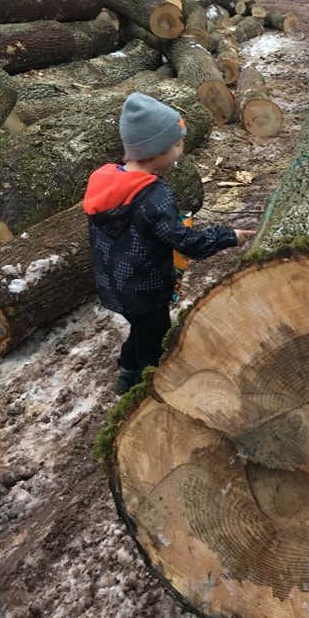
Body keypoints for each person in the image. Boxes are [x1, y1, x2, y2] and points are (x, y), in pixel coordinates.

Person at [83, 92, 256, 395]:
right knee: (157, 341)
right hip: (147, 289)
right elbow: (185, 241)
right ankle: (151, 387)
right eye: (177, 145)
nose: (180, 151)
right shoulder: (152, 196)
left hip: (114, 285)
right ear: (156, 150)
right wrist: (228, 236)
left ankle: (127, 369)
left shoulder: (106, 184)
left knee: (140, 329)